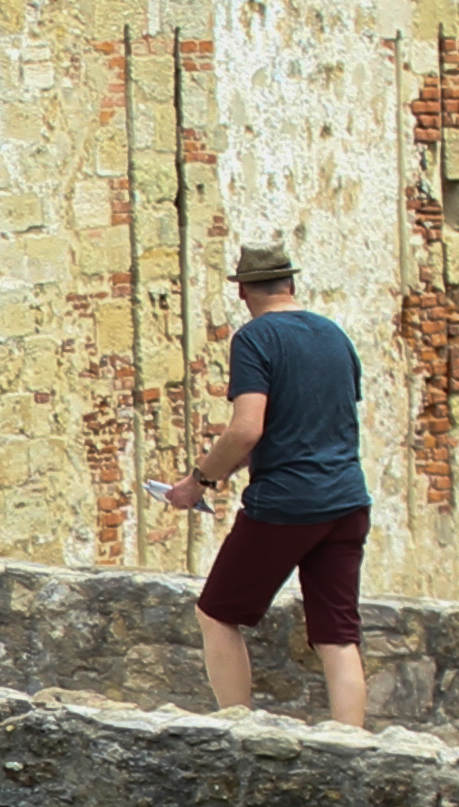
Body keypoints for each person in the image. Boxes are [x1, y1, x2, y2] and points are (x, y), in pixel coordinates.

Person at [146, 244, 372, 729]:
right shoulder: (335, 335)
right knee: (337, 634)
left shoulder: (256, 338)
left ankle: (237, 728)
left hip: (288, 503)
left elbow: (248, 428)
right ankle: (353, 745)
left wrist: (198, 482)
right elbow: (318, 420)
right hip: (348, 499)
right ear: (291, 284)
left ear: (245, 291)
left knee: (216, 613)